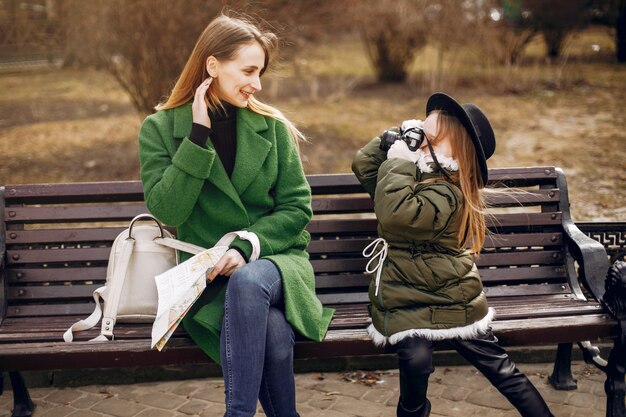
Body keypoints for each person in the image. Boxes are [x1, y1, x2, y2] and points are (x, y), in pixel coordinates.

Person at [138, 14, 333, 417]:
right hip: (209, 282)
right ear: (212, 66)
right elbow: (167, 209)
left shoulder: (272, 128)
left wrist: (247, 245)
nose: (257, 84)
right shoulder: (158, 129)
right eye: (248, 70)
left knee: (247, 278)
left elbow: (297, 208)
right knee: (275, 336)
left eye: (259, 72)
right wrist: (197, 136)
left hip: (278, 263)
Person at [352, 92, 554, 417]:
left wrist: (400, 159)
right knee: (415, 360)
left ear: (452, 141)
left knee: (499, 369)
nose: (418, 136)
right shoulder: (414, 171)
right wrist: (389, 140)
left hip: (450, 300)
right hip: (406, 300)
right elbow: (364, 166)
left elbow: (395, 214)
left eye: (429, 132)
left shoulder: (449, 190)